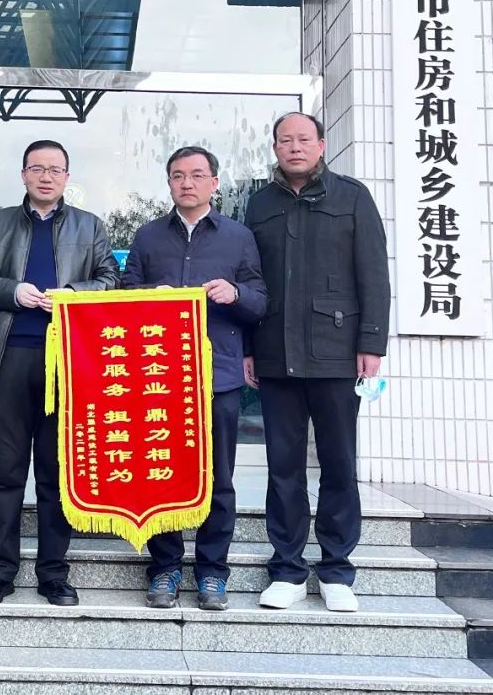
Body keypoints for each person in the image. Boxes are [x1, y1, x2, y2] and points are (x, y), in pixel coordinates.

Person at [0, 139, 120, 607]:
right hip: (10, 357)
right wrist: (14, 291)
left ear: (67, 177)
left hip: (67, 364)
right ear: (24, 175)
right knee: (5, 475)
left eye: (55, 169)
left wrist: (72, 292)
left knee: (56, 477)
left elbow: (112, 280)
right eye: (37, 168)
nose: (46, 176)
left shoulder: (90, 226)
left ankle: (53, 574)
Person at [243, 112, 390, 613]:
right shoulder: (259, 203)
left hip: (337, 352)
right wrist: (249, 348)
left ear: (321, 145)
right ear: (275, 147)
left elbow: (374, 274)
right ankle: (286, 569)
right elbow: (251, 280)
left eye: (304, 139)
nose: (295, 147)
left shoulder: (352, 196)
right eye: (285, 140)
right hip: (275, 354)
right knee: (283, 467)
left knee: (338, 463)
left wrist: (371, 343)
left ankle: (336, 569)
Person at [122, 146, 267, 611]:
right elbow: (125, 295)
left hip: (217, 373)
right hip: (159, 377)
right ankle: (164, 568)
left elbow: (261, 300)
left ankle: (212, 573)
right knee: (162, 472)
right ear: (169, 183)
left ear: (214, 183)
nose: (187, 183)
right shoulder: (147, 236)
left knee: (218, 478)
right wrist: (152, 295)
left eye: (197, 175)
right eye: (178, 175)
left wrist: (235, 292)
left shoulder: (238, 237)